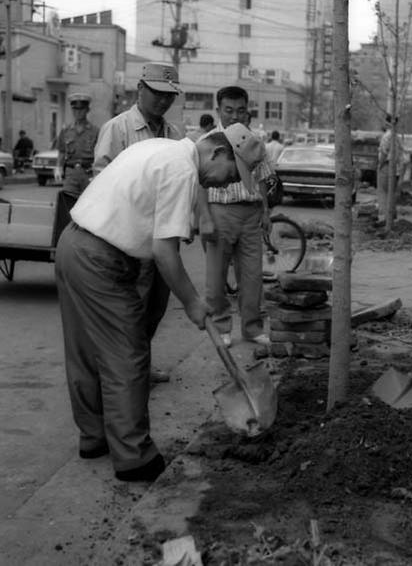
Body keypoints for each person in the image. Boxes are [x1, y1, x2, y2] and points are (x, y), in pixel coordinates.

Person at [56, 126, 261, 482]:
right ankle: (134, 457)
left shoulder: (160, 148)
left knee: (86, 351)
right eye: (231, 173)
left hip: (73, 245)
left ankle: (94, 438)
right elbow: (165, 253)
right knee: (127, 354)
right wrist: (194, 303)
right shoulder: (181, 171)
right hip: (100, 258)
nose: (225, 184)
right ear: (217, 153)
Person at [93, 62, 183, 384]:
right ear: (140, 89)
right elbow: (101, 178)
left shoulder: (174, 134)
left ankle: (140, 366)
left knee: (156, 305)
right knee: (131, 308)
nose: (163, 102)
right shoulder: (117, 129)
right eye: (157, 93)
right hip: (127, 237)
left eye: (169, 96)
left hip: (160, 236)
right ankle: (124, 371)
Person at [199, 86, 273, 348]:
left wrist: (266, 211)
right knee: (216, 276)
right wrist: (204, 216)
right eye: (228, 110)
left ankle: (252, 328)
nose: (234, 115)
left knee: (253, 276)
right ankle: (221, 325)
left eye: (240, 110)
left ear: (247, 111)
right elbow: (197, 182)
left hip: (251, 214)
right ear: (218, 110)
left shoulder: (253, 140)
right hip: (220, 213)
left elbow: (263, 176)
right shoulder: (207, 141)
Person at [53, 93, 100, 207]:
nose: (78, 112)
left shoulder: (95, 131)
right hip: (71, 173)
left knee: (88, 207)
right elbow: (62, 151)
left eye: (81, 109)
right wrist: (58, 167)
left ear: (87, 110)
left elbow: (99, 154)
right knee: (68, 205)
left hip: (88, 173)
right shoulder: (66, 131)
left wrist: (97, 173)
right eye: (75, 109)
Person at [376, 114, 403, 225]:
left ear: (386, 122)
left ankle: (384, 217)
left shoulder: (387, 136)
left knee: (383, 192)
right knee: (391, 192)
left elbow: (384, 152)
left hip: (387, 165)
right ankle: (391, 215)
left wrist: (379, 165)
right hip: (395, 166)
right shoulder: (397, 136)